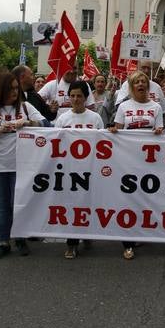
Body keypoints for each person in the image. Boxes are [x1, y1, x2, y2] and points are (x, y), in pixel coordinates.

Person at [0, 72, 43, 260]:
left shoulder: (25, 107)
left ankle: (20, 238)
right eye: (11, 88)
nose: (15, 91)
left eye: (17, 88)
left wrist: (28, 123)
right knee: (2, 205)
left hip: (21, 164)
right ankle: (3, 241)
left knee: (18, 203)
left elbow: (47, 123)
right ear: (3, 89)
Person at [109, 71, 165, 260]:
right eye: (137, 82)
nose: (141, 84)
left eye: (144, 82)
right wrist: (114, 130)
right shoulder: (124, 106)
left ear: (148, 87)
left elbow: (161, 131)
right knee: (127, 200)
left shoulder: (156, 107)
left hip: (149, 162)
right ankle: (127, 243)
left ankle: (141, 232)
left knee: (145, 199)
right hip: (127, 162)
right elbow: (117, 131)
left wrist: (159, 132)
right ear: (131, 87)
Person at [56, 81, 104, 259]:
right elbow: (55, 144)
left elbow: (103, 144)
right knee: (72, 206)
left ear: (86, 98)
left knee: (88, 204)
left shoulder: (95, 118)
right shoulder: (62, 119)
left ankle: (87, 234)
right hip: (69, 171)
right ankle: (71, 243)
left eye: (79, 96)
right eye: (73, 96)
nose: (76, 99)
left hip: (90, 170)